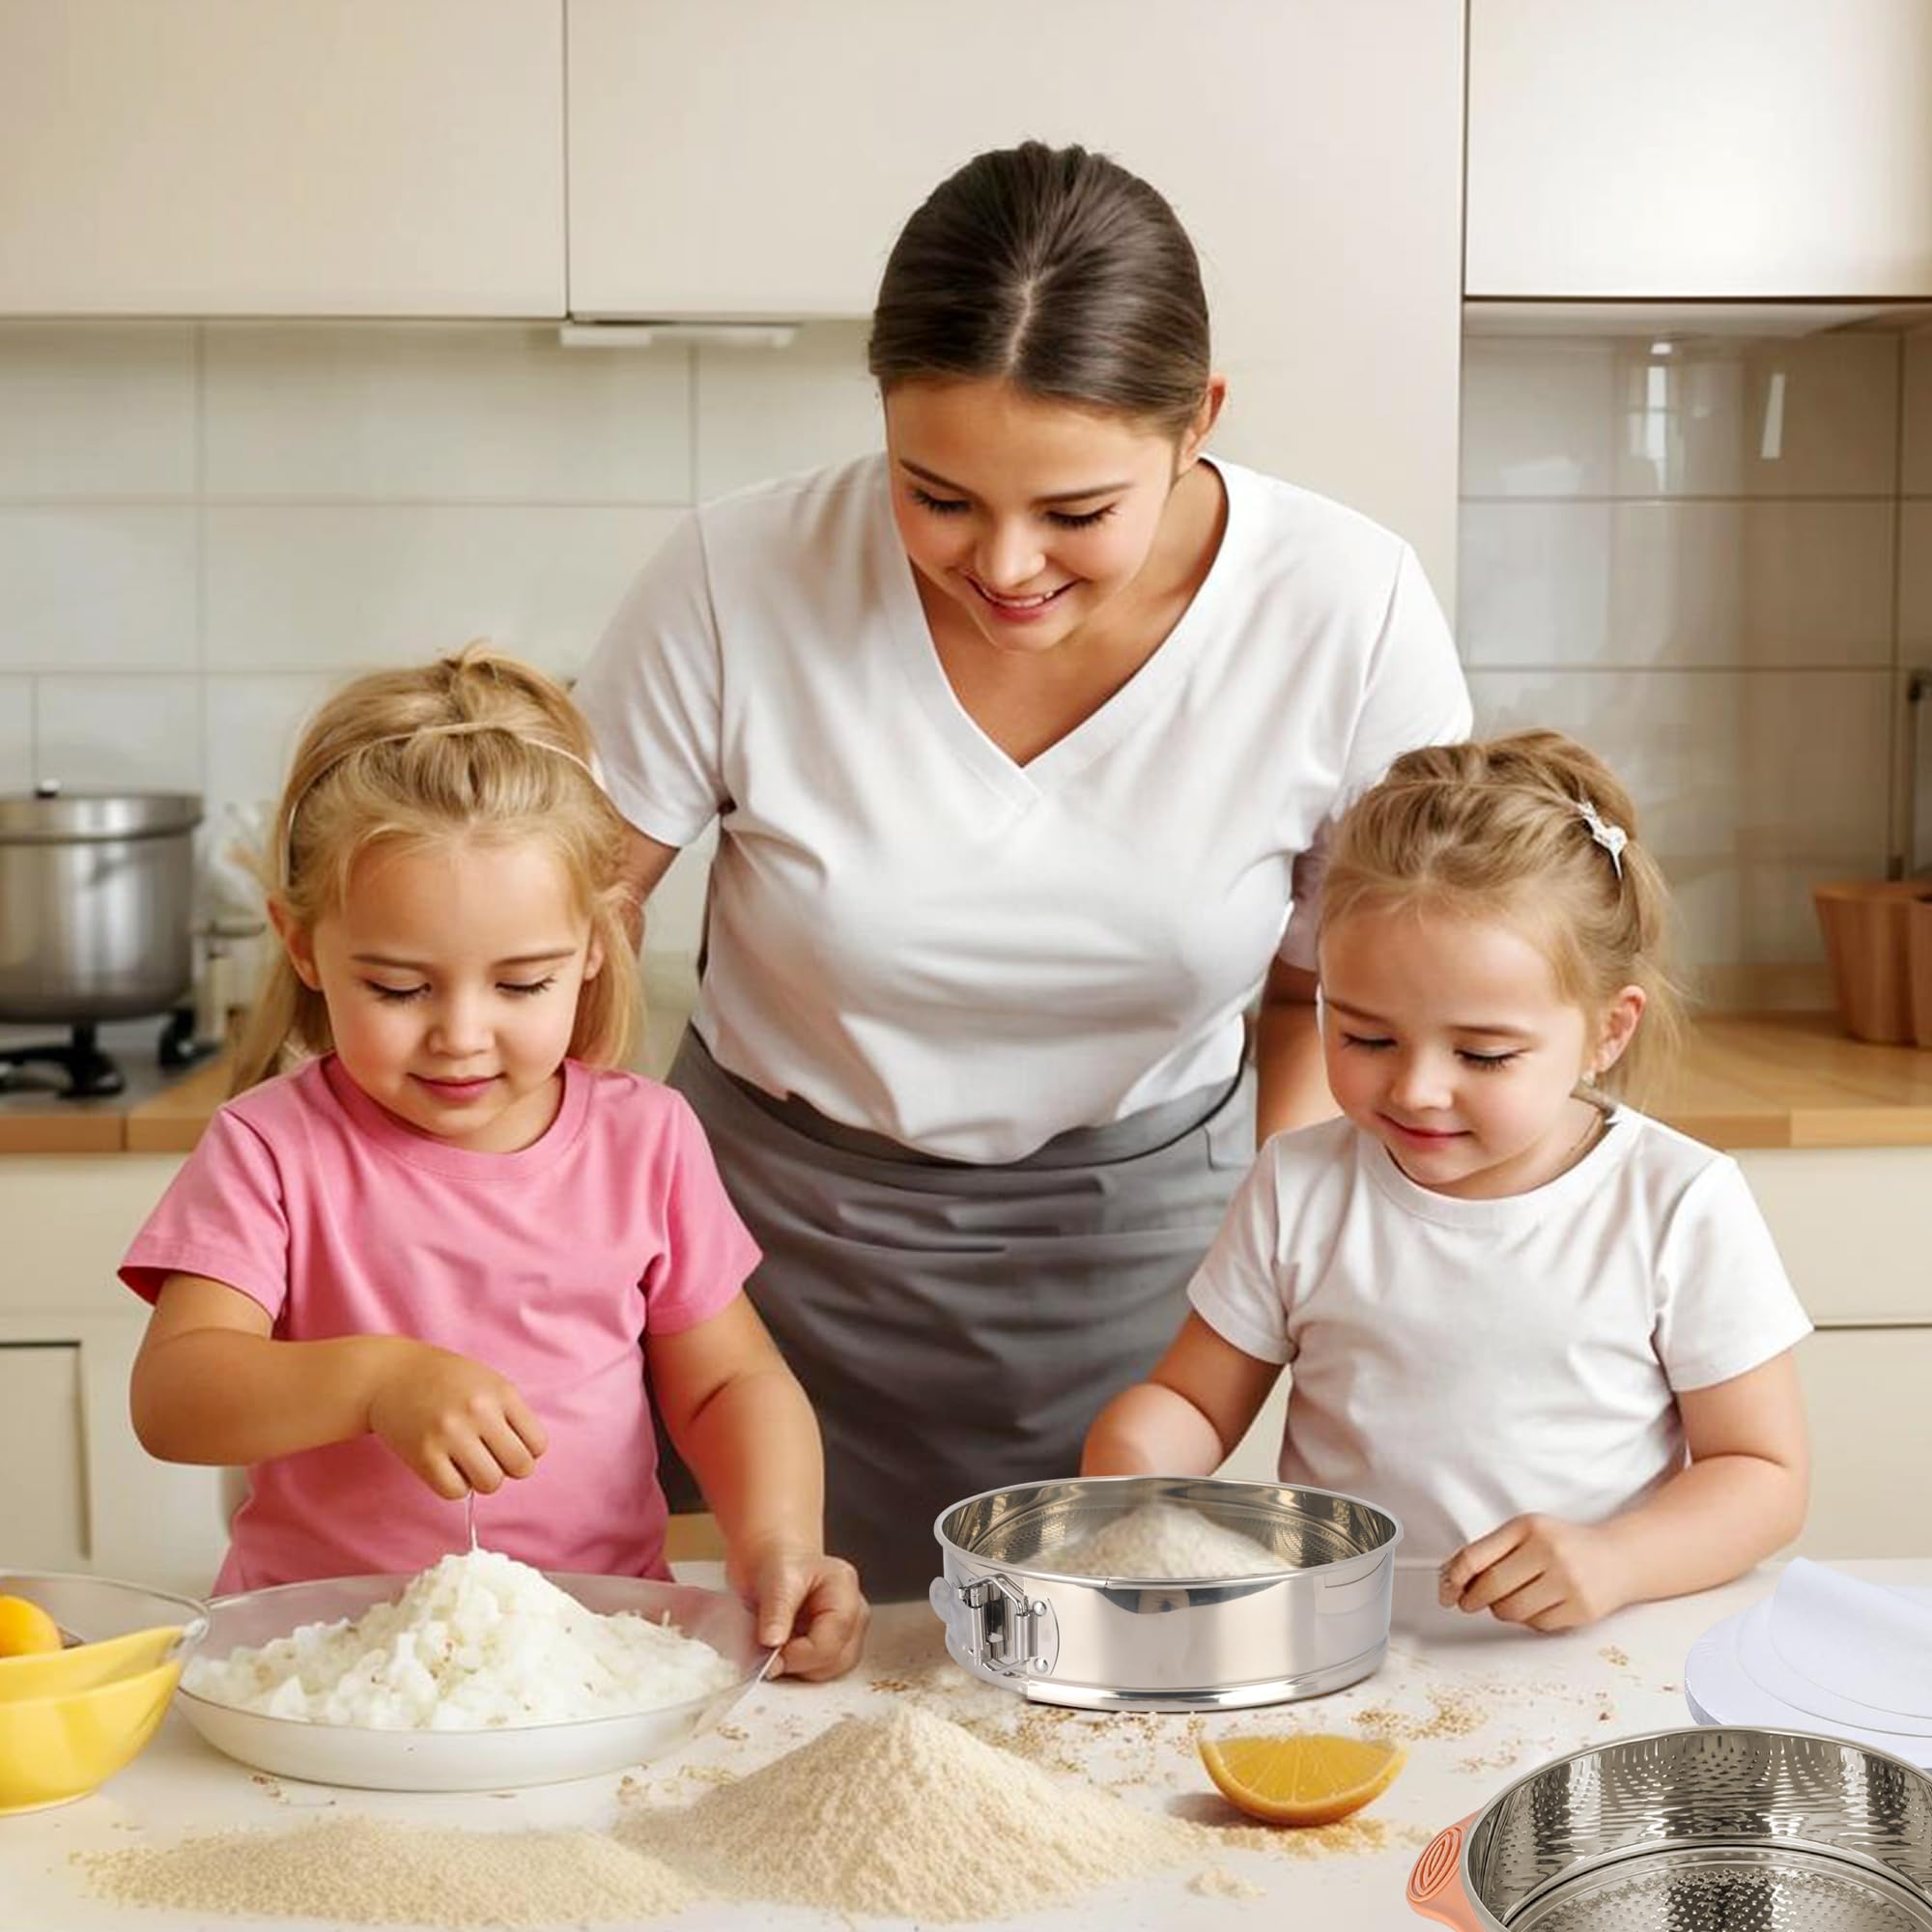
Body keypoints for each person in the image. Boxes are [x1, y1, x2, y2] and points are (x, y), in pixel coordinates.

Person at [572, 141, 1471, 1600]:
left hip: (1145, 1285)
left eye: (1074, 513)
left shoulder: (1346, 610)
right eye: (936, 497)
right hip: (754, 1270)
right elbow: (573, 930)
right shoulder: (737, 576)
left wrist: (1288, 1253)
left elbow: (1327, 996)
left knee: (1076, 1718)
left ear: (1200, 425)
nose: (1003, 566)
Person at [123, 647, 867, 1681]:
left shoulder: (643, 1137)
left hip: (585, 1660)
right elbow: (175, 1395)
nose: (461, 1036)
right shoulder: (271, 1148)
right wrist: (377, 1377)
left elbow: (729, 1380)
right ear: (303, 946)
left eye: (521, 983)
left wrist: (780, 1536)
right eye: (396, 987)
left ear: (596, 942)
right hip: (319, 1667)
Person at [1083, 731, 1812, 1631]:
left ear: (1607, 1031)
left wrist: (1617, 1560)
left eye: (1484, 1053)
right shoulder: (1300, 1187)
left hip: (1596, 1657)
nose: (1417, 1089)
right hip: (1343, 1655)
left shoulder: (1676, 1202)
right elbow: (1195, 1399)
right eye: (1365, 1038)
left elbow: (1763, 1476)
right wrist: (1135, 1451)